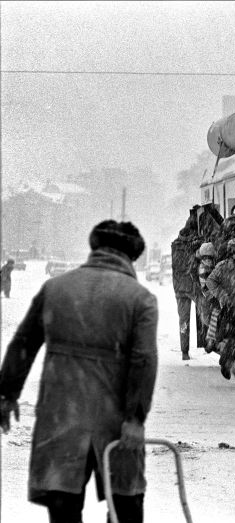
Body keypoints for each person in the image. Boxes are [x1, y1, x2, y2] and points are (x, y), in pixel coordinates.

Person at [0, 220, 157, 523]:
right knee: (125, 505)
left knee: (63, 506)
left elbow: (24, 343)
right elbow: (144, 361)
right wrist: (135, 418)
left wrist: (6, 393)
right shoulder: (140, 299)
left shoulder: (55, 288)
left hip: (61, 415)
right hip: (116, 422)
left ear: (95, 248)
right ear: (131, 257)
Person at [205, 237, 235, 379]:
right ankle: (226, 361)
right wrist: (222, 296)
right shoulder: (223, 267)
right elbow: (210, 281)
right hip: (230, 309)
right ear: (231, 253)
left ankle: (234, 363)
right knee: (232, 338)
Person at [171, 225, 202, 360]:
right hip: (190, 287)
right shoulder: (183, 247)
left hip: (181, 289)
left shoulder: (176, 245)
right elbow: (184, 265)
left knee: (184, 321)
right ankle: (210, 341)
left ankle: (185, 351)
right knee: (205, 312)